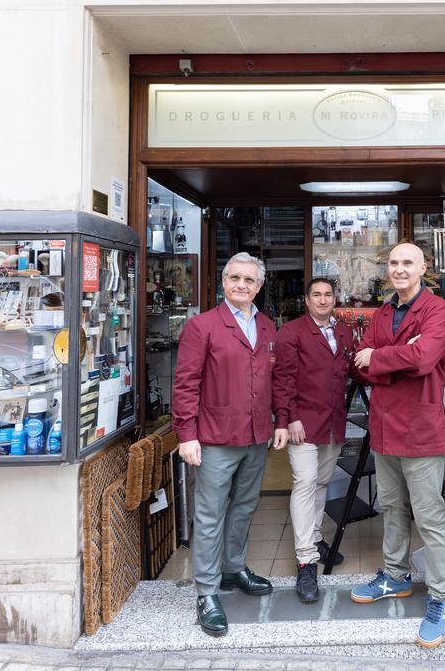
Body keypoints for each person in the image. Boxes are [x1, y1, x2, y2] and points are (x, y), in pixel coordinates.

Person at [172, 252, 288, 638]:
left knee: (244, 506)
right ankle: (207, 590)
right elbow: (186, 384)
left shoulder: (268, 328)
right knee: (210, 514)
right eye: (234, 278)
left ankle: (233, 567)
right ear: (224, 282)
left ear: (259, 286)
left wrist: (279, 421)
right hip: (216, 437)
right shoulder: (202, 326)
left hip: (256, 435)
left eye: (249, 280)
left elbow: (275, 380)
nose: (241, 284)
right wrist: (186, 434)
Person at [349, 242, 445, 649]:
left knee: (429, 518)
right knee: (391, 507)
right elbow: (359, 365)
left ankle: (444, 598)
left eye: (407, 262)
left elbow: (426, 358)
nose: (399, 269)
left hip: (422, 431)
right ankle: (395, 577)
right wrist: (392, 359)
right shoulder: (381, 313)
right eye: (393, 263)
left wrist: (377, 358)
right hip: (384, 429)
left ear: (422, 268)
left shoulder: (438, 311)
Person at [272, 277, 355, 603]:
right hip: (302, 423)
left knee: (321, 481)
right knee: (305, 482)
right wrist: (288, 417)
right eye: (316, 295)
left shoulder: (343, 332)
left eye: (328, 295)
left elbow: (352, 369)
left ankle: (316, 538)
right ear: (306, 300)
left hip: (333, 422)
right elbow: (283, 379)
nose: (322, 300)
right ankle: (306, 559)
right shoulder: (291, 333)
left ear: (335, 299)